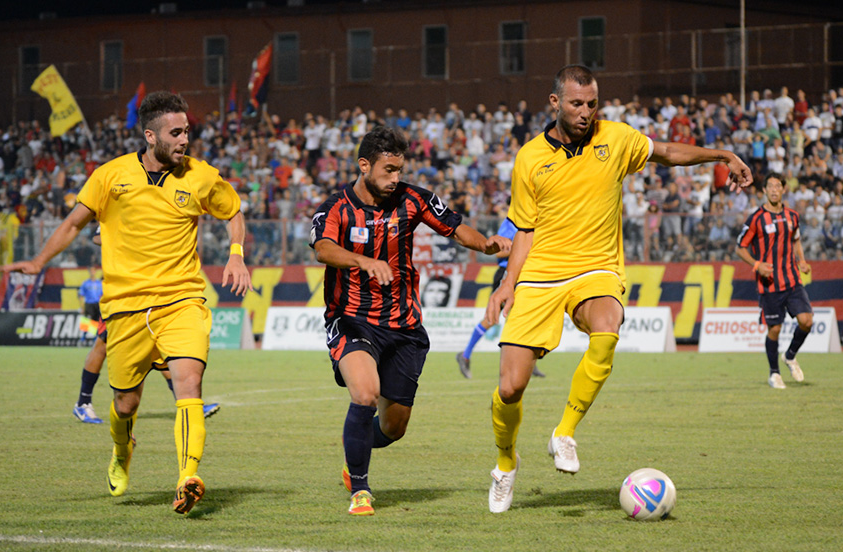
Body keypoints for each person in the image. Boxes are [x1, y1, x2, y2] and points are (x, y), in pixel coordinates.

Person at [484, 65, 752, 513]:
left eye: (592, 103)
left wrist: (722, 155)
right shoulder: (529, 158)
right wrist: (507, 284)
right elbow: (524, 230)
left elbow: (667, 152)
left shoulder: (617, 137)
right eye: (576, 103)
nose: (586, 111)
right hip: (542, 273)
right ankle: (506, 463)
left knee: (608, 326)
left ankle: (564, 433)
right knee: (511, 388)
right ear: (555, 102)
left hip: (597, 268)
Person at [3, 91, 251, 514]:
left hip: (181, 300)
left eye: (186, 131)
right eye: (176, 133)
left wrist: (236, 254)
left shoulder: (201, 176)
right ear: (150, 136)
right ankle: (122, 450)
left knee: (188, 384)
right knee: (125, 403)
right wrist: (39, 262)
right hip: (125, 306)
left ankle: (187, 477)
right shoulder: (110, 176)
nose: (185, 139)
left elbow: (233, 212)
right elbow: (73, 224)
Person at [310, 126, 510, 516]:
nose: (395, 178)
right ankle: (361, 490)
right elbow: (323, 249)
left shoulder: (413, 199)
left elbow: (456, 228)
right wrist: (363, 261)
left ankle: (355, 448)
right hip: (352, 319)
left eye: (399, 170)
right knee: (365, 394)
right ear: (364, 165)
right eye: (388, 170)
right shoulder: (335, 208)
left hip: (404, 325)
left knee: (394, 427)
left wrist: (486, 244)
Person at [73, 229, 221, 424]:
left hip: (151, 291)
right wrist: (134, 239)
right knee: (102, 344)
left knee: (160, 350)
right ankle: (83, 402)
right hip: (123, 293)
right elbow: (98, 236)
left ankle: (187, 402)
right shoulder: (121, 211)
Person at [736, 173, 813, 390]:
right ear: (764, 191)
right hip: (769, 283)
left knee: (807, 321)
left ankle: (790, 355)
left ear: (783, 189)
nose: (774, 190)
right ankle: (774, 373)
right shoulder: (756, 218)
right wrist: (757, 265)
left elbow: (796, 240)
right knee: (775, 330)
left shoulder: (792, 216)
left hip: (792, 279)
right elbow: (740, 247)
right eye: (770, 186)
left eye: (777, 186)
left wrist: (802, 260)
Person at [456, 217, 544, 380]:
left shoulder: (535, 221)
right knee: (492, 318)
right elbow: (499, 252)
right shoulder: (511, 222)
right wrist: (523, 248)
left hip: (524, 274)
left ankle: (529, 364)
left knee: (526, 318)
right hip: (506, 274)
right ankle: (465, 355)